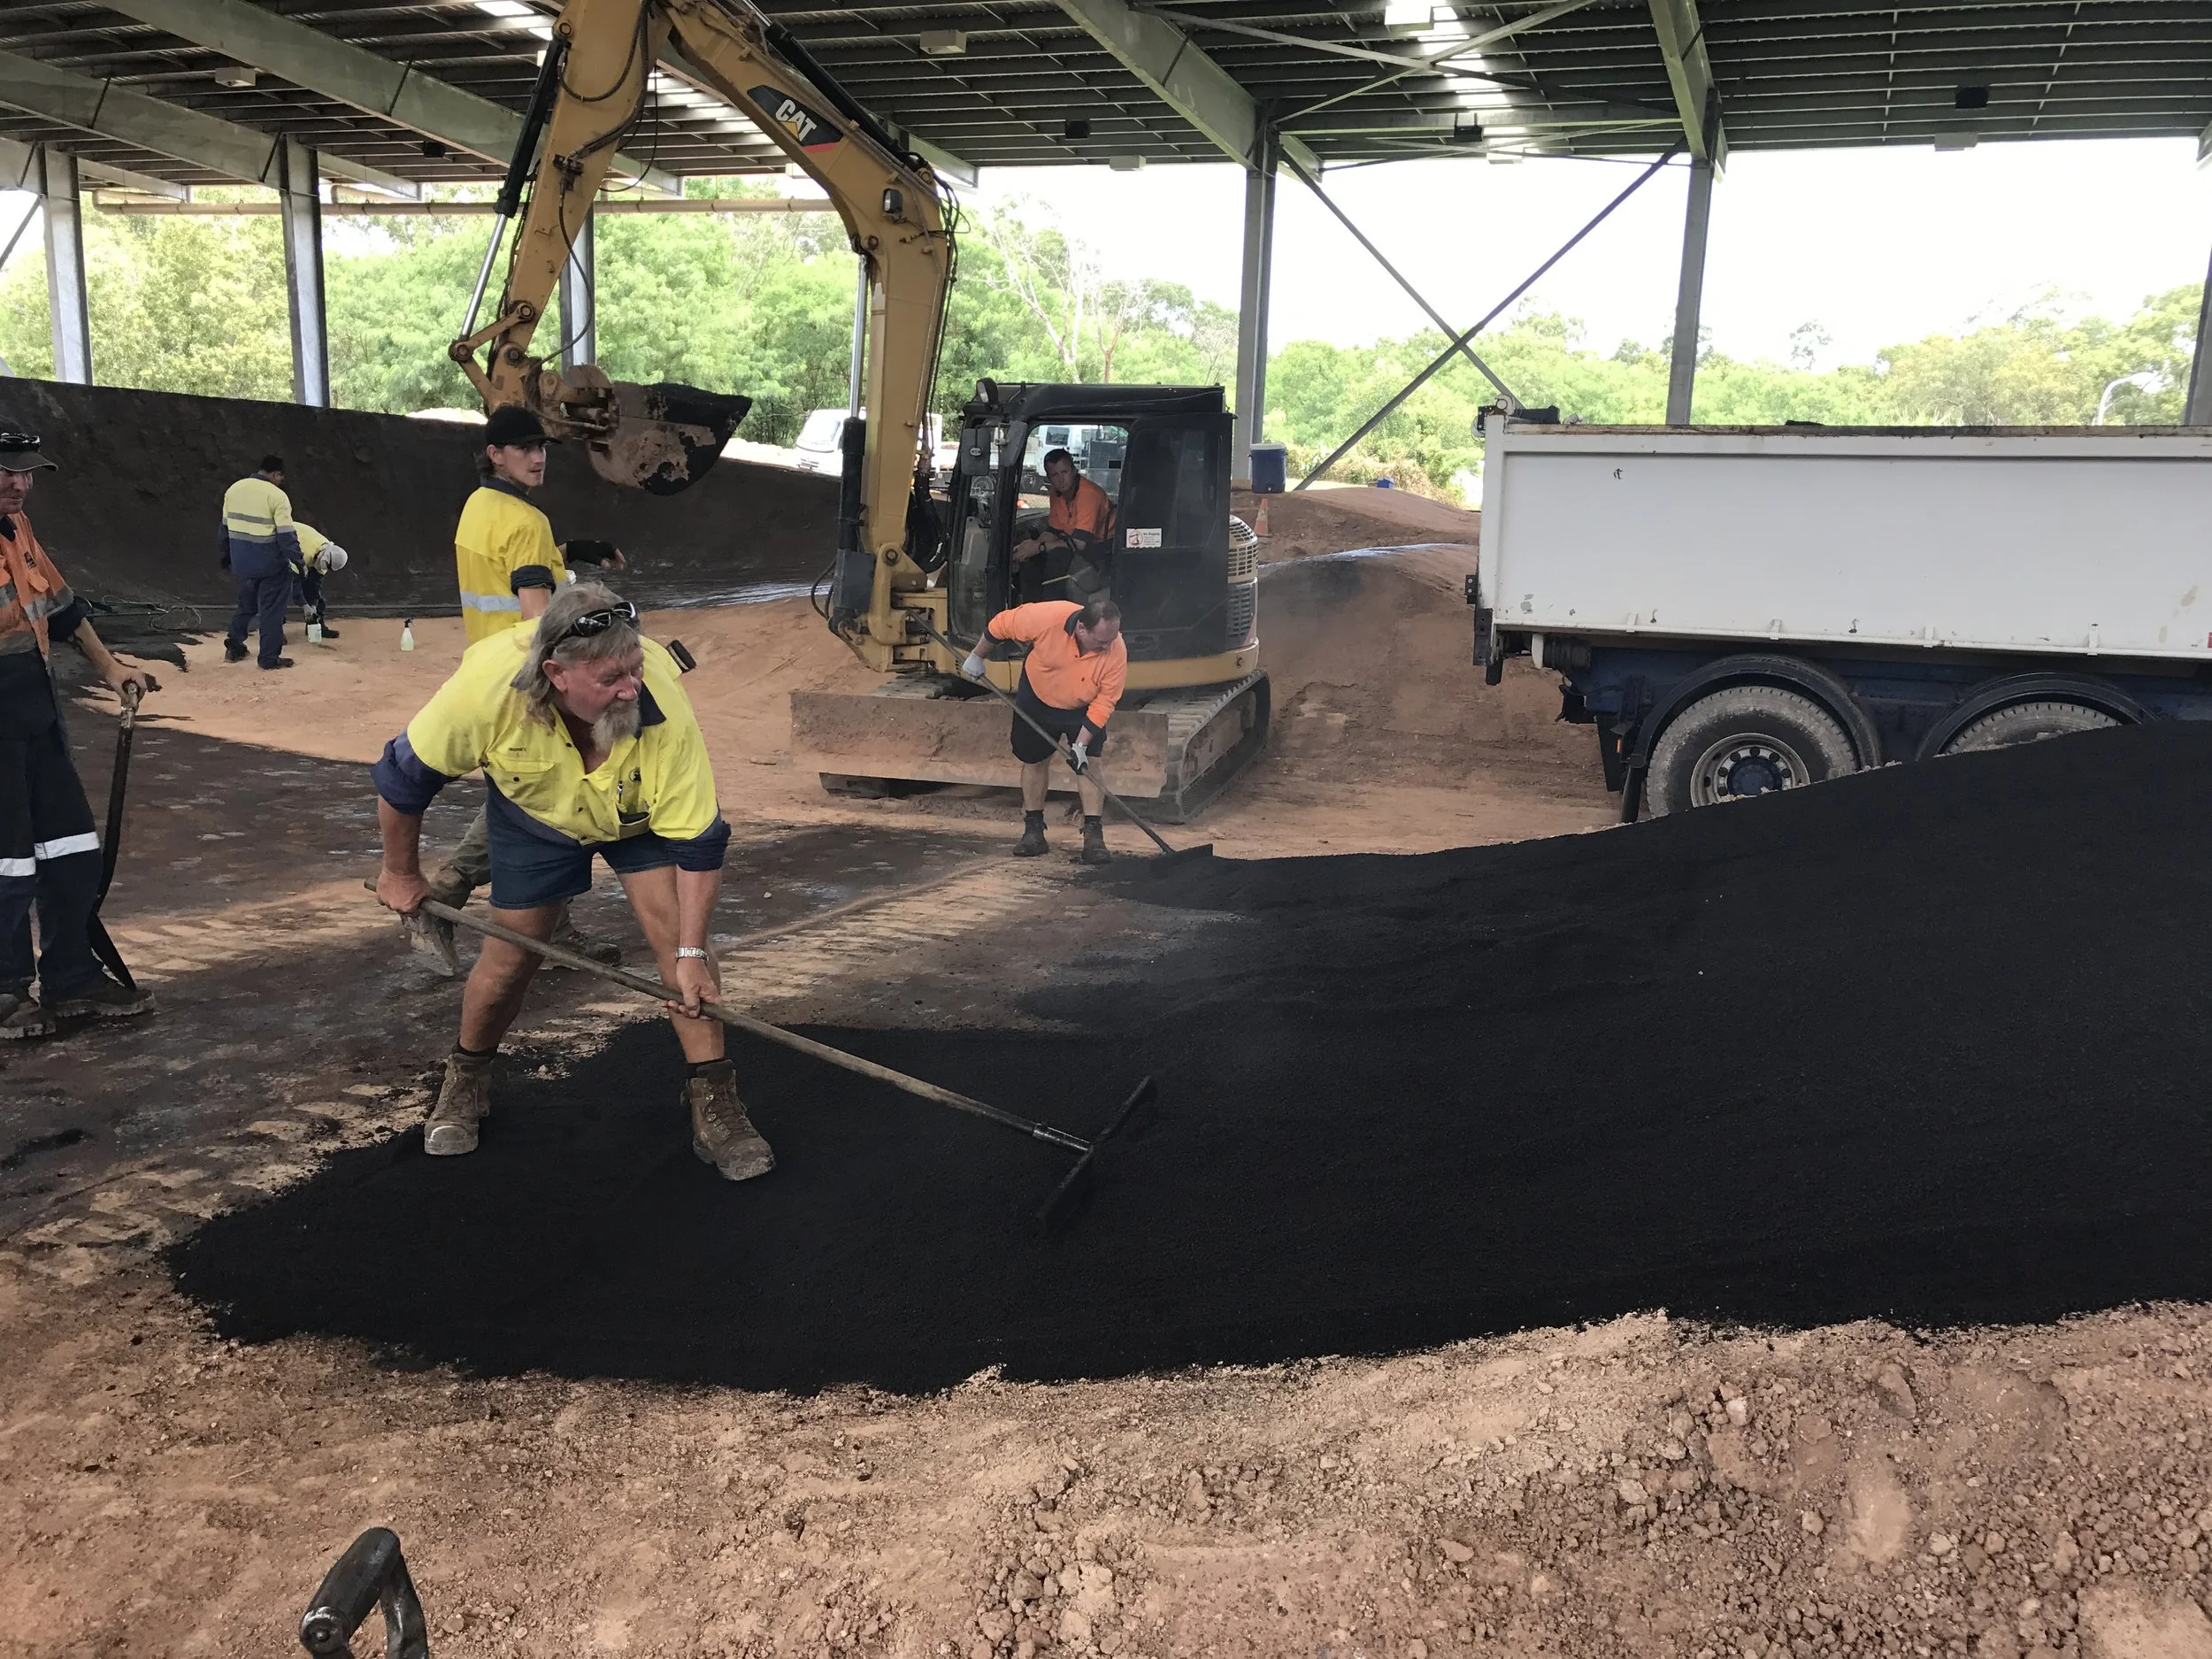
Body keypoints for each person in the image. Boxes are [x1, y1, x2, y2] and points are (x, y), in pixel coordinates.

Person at [371, 581, 772, 1180]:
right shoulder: (484, 694)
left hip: (637, 816)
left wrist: (691, 954)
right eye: (612, 678)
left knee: (681, 954)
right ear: (556, 673)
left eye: (635, 668)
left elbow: (699, 844)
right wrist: (400, 872)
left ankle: (715, 1101)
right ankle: (468, 1076)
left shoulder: (661, 705)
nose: (631, 688)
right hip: (536, 815)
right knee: (511, 956)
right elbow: (403, 779)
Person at [403, 406, 626, 976]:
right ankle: (450, 894)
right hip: (533, 677)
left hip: (487, 667)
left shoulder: (478, 507)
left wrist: (572, 550)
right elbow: (536, 615)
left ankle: (549, 926)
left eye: (541, 447)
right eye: (524, 447)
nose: (537, 456)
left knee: (530, 792)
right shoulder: (528, 522)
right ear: (494, 454)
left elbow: (514, 564)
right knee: (557, 797)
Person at [0, 420, 156, 1039]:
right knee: (7, 864)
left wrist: (111, 667)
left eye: (26, 473)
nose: (19, 484)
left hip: (36, 717)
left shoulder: (19, 530)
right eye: (6, 471)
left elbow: (61, 609)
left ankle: (69, 976)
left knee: (71, 849)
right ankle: (5, 991)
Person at [963, 596, 1125, 864]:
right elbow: (1000, 625)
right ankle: (1033, 831)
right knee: (1035, 761)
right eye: (1101, 641)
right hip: (1038, 698)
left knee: (1089, 762)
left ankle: (1093, 836)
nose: (1109, 646)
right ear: (1081, 629)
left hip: (1083, 706)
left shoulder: (1115, 649)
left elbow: (1106, 701)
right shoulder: (1046, 618)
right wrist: (977, 656)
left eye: (1112, 639)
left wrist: (1081, 745)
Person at [220, 454, 301, 670]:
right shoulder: (277, 496)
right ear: (276, 474)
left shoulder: (234, 489)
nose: (280, 482)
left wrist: (226, 555)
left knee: (246, 606)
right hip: (270, 565)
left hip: (242, 563)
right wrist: (299, 562)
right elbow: (286, 536)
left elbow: (224, 528)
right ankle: (268, 658)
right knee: (271, 611)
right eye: (280, 478)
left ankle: (234, 647)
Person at [1012, 448, 1115, 603]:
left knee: (1058, 556)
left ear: (1073, 470)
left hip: (1102, 552)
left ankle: (1053, 608)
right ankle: (1031, 607)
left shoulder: (1089, 494)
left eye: (1064, 472)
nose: (1061, 479)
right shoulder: (1056, 494)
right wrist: (1029, 547)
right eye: (1055, 475)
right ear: (1049, 478)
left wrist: (1039, 547)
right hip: (1077, 544)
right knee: (1031, 560)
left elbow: (1079, 544)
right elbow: (1054, 531)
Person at [293, 522, 349, 639]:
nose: (325, 569)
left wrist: (313, 605)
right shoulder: (306, 552)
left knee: (318, 597)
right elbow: (294, 583)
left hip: (301, 554)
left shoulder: (326, 556)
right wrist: (305, 605)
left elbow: (315, 585)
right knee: (280, 593)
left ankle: (316, 625)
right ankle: (275, 633)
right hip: (280, 547)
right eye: (326, 566)